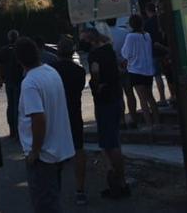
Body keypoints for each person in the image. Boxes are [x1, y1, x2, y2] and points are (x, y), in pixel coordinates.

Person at [15, 37, 75, 213]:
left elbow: (38, 119)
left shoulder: (29, 83)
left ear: (19, 60)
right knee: (53, 198)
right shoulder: (51, 71)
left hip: (43, 154)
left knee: (45, 204)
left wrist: (35, 150)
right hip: (58, 148)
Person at [82, 30, 129, 199]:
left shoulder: (94, 55)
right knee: (112, 140)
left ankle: (119, 181)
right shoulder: (109, 49)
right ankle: (118, 179)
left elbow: (95, 72)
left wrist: (95, 84)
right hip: (116, 97)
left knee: (110, 143)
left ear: (91, 40)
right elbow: (119, 68)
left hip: (104, 101)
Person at [51, 36, 88, 205]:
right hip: (74, 113)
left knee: (55, 152)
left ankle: (55, 189)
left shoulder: (52, 71)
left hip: (57, 114)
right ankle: (80, 189)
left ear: (57, 52)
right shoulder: (79, 71)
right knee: (78, 149)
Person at [121, 15, 163, 130]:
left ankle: (149, 124)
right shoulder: (147, 35)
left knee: (142, 99)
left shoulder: (130, 36)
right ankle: (157, 122)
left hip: (136, 70)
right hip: (148, 69)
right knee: (151, 97)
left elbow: (125, 53)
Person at [108, 17, 139, 128]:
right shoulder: (125, 32)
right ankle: (133, 117)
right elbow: (130, 49)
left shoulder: (105, 34)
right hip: (127, 65)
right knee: (130, 93)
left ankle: (121, 120)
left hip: (114, 67)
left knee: (119, 95)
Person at [0, 30, 22, 140]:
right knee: (18, 106)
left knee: (10, 106)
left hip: (8, 81)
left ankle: (12, 131)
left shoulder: (3, 50)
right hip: (19, 80)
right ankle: (18, 131)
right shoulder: (20, 49)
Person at [142, 3, 172, 105]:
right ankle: (173, 95)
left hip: (154, 52)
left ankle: (162, 98)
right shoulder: (162, 20)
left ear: (147, 11)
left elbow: (146, 40)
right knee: (169, 74)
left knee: (158, 75)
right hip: (166, 50)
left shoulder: (146, 24)